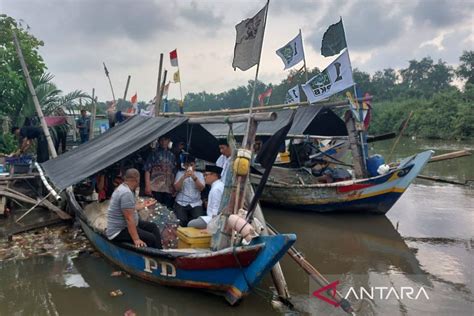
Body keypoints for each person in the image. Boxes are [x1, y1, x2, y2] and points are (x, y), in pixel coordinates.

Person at [106, 168, 162, 248]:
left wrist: (143, 205)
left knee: (153, 227)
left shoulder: (125, 188)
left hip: (126, 225)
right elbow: (129, 218)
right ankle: (154, 256)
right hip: (119, 231)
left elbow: (129, 208)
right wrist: (136, 239)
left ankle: (160, 251)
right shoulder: (126, 193)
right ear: (136, 179)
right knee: (151, 238)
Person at [144, 135, 176, 208]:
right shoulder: (154, 154)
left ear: (168, 141)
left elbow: (173, 172)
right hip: (155, 186)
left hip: (168, 187)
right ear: (159, 141)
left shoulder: (172, 156)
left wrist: (174, 187)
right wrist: (147, 186)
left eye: (165, 140)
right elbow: (147, 170)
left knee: (167, 209)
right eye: (161, 140)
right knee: (155, 208)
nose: (163, 142)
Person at [173, 155, 205, 227]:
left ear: (194, 165)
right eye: (187, 165)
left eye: (191, 165)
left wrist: (194, 178)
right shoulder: (180, 173)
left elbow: (201, 188)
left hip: (195, 203)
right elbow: (176, 188)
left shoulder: (199, 174)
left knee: (197, 220)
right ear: (184, 165)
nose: (189, 167)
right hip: (181, 202)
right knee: (181, 221)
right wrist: (183, 177)